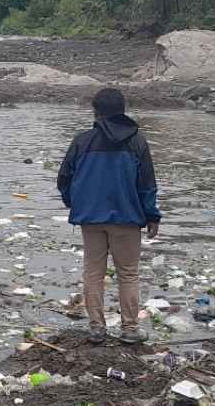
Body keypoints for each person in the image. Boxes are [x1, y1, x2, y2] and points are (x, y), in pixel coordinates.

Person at [57, 87, 160, 344]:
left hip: (90, 219)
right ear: (122, 111)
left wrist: (76, 204)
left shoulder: (82, 141)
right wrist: (152, 215)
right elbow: (146, 184)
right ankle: (130, 329)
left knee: (93, 272)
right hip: (127, 219)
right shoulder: (137, 142)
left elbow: (64, 179)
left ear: (96, 113)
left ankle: (96, 328)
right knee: (127, 274)